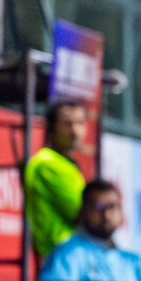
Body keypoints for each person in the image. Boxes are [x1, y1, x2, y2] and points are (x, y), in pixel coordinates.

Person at [23, 99, 87, 263]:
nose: (75, 131)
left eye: (80, 123)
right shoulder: (48, 164)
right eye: (67, 124)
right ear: (51, 129)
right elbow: (86, 215)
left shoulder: (64, 164)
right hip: (62, 259)